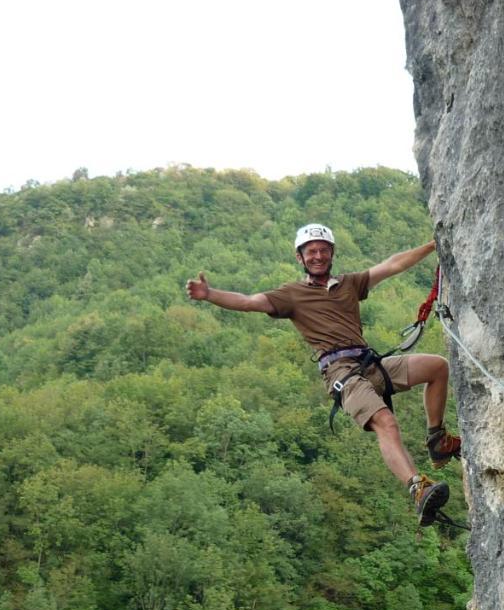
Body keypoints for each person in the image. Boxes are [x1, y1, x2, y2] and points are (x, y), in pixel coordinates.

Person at [185, 224, 461, 525]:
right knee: (385, 421)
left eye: (323, 250)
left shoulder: (349, 284)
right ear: (300, 258)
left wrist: (434, 245)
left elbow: (393, 264)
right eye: (311, 251)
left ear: (332, 254)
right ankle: (417, 487)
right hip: (341, 373)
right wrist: (210, 294)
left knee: (437, 367)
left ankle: (438, 441)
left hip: (369, 363)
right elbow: (250, 302)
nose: (318, 256)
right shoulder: (292, 295)